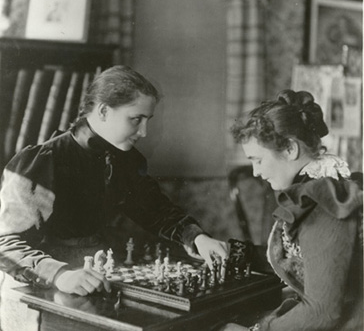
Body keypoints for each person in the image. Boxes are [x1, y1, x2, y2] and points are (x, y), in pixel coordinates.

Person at [0, 66, 228, 329]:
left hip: (93, 278)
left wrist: (196, 236)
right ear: (104, 111)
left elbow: (154, 209)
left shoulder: (125, 160)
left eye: (148, 120)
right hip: (38, 290)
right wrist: (60, 274)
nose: (144, 132)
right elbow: (6, 244)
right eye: (136, 119)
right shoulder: (43, 162)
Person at [218, 89, 363, 331]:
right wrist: (233, 253)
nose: (255, 172)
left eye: (258, 160)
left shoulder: (324, 202)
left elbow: (323, 312)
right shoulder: (318, 187)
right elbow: (303, 256)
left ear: (289, 149)